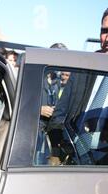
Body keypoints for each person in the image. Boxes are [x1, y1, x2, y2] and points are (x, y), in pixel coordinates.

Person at [46, 9, 108, 165]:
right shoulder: (82, 68)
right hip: (74, 159)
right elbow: (60, 114)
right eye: (104, 31)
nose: (107, 38)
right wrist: (58, 150)